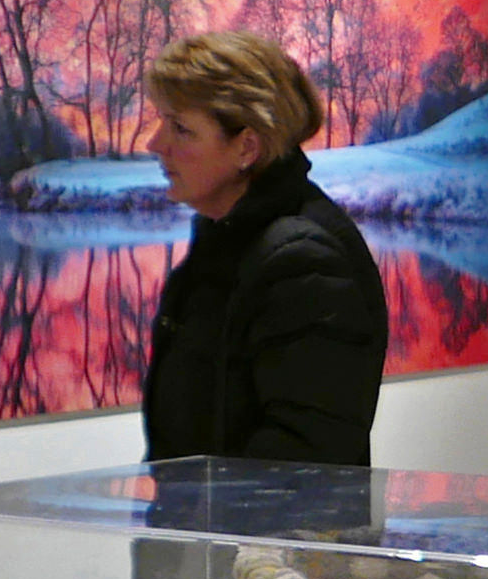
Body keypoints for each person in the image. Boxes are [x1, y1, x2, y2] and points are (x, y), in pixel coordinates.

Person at [139, 31, 388, 464]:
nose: (156, 144)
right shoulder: (228, 241)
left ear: (247, 147)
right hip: (209, 530)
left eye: (181, 128)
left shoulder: (301, 260)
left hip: (258, 532)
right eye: (163, 121)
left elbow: (304, 466)